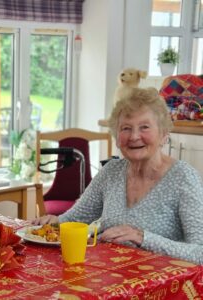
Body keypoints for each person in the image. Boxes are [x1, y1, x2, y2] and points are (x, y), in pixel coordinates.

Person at [34, 87, 203, 264]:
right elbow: (73, 219)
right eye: (126, 128)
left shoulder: (183, 177)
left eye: (144, 127)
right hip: (109, 277)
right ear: (117, 137)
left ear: (163, 135)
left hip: (161, 284)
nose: (134, 136)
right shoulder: (111, 171)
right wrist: (54, 222)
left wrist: (143, 237)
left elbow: (199, 252)